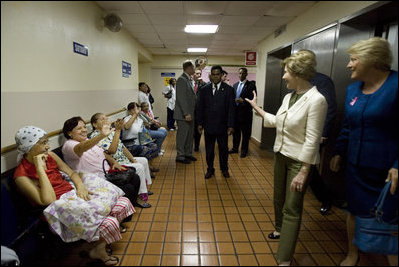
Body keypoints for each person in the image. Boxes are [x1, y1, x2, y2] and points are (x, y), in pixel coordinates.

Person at [245, 50, 327, 266]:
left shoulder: (316, 100)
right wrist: (257, 109)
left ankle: (284, 258)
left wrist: (304, 171)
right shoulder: (288, 97)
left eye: (286, 72)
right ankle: (280, 230)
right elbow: (276, 122)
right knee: (278, 198)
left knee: (292, 208)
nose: (283, 76)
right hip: (280, 155)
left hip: (299, 162)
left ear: (298, 73)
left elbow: (312, 140)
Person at [14, 126, 134, 266]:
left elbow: (71, 173)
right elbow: (48, 200)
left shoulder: (51, 156)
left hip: (71, 192)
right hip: (57, 207)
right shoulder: (21, 175)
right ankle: (98, 246)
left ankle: (97, 244)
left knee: (123, 202)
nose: (47, 147)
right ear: (29, 147)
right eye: (42, 143)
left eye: (47, 141)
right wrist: (40, 168)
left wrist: (80, 187)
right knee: (110, 222)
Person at [330, 37, 398, 266]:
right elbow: (348, 125)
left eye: (353, 59)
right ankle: (353, 254)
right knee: (354, 210)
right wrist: (339, 152)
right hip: (356, 166)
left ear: (373, 60)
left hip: (387, 170)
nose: (349, 65)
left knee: (389, 215)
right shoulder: (352, 90)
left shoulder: (396, 86)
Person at [61, 117, 146, 209]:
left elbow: (104, 153)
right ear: (69, 133)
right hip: (94, 181)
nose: (84, 130)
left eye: (84, 127)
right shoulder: (69, 145)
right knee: (128, 188)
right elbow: (81, 148)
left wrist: (114, 162)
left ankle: (129, 207)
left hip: (108, 174)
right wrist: (101, 135)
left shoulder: (86, 140)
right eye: (79, 128)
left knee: (135, 178)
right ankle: (123, 214)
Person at [295, 49, 338, 215]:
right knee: (306, 167)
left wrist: (324, 134)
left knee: (308, 168)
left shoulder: (322, 81)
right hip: (300, 134)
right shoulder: (298, 80)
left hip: (315, 135)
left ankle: (326, 198)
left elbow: (330, 109)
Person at [90, 112, 153, 208]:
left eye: (106, 118)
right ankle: (140, 197)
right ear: (94, 124)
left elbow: (123, 147)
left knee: (143, 160)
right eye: (102, 119)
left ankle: (144, 187)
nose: (106, 120)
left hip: (124, 159)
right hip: (116, 164)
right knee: (139, 167)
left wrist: (133, 159)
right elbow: (112, 151)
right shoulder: (95, 136)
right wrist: (117, 131)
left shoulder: (110, 132)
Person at [196, 65, 236, 179]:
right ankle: (210, 169)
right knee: (209, 151)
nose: (215, 76)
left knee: (223, 150)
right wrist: (199, 123)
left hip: (223, 126)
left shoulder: (229, 90)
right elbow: (200, 108)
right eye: (213, 74)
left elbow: (231, 109)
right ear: (210, 75)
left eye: (217, 74)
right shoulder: (204, 90)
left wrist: (231, 125)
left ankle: (224, 169)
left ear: (221, 75)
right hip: (208, 126)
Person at [121, 102, 160, 171]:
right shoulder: (126, 119)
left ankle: (149, 166)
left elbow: (143, 133)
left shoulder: (140, 120)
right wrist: (135, 115)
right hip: (129, 145)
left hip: (139, 142)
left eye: (138, 108)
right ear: (130, 111)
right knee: (144, 149)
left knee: (154, 146)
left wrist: (148, 141)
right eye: (134, 109)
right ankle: (147, 169)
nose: (137, 110)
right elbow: (127, 127)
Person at [229, 67, 257, 158]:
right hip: (236, 114)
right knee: (236, 133)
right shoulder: (235, 85)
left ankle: (244, 151)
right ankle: (235, 149)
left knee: (245, 134)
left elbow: (253, 100)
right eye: (240, 73)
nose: (241, 75)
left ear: (246, 74)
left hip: (246, 114)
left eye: (243, 73)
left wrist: (243, 102)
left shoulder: (251, 85)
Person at [174, 60, 197, 164]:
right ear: (188, 68)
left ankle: (188, 153)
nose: (194, 69)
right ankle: (180, 155)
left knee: (189, 135)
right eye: (193, 67)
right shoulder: (181, 80)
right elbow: (181, 98)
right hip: (184, 114)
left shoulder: (188, 79)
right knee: (182, 135)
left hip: (190, 114)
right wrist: (186, 113)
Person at [193, 67, 206, 152]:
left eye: (200, 74)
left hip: (200, 112)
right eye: (197, 73)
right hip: (190, 110)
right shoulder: (189, 83)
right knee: (191, 130)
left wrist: (203, 83)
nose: (199, 75)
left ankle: (197, 146)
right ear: (193, 74)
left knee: (198, 129)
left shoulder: (203, 85)